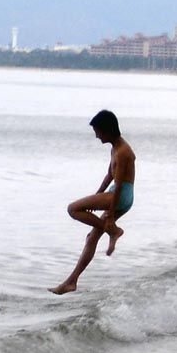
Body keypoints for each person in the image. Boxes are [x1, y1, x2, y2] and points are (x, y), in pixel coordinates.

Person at [49, 109, 136, 295]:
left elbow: (119, 185)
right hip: (118, 194)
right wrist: (97, 195)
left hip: (121, 195)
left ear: (108, 130)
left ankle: (112, 230)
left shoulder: (122, 152)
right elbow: (109, 175)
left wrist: (110, 217)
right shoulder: (115, 147)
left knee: (73, 209)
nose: (96, 135)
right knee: (91, 238)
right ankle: (71, 282)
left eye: (98, 131)